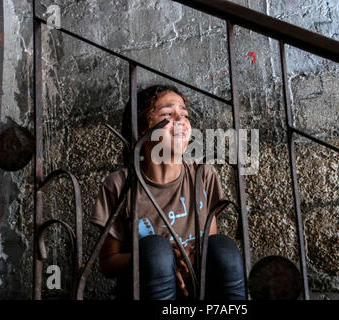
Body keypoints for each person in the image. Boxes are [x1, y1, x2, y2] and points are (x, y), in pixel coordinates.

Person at [90, 84, 245, 300]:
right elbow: (107, 263)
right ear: (142, 129)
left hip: (196, 286)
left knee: (222, 248)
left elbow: (209, 243)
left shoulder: (203, 174)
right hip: (147, 286)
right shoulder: (119, 184)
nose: (180, 120)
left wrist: (188, 255)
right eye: (167, 114)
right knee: (157, 250)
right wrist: (158, 257)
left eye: (184, 114)